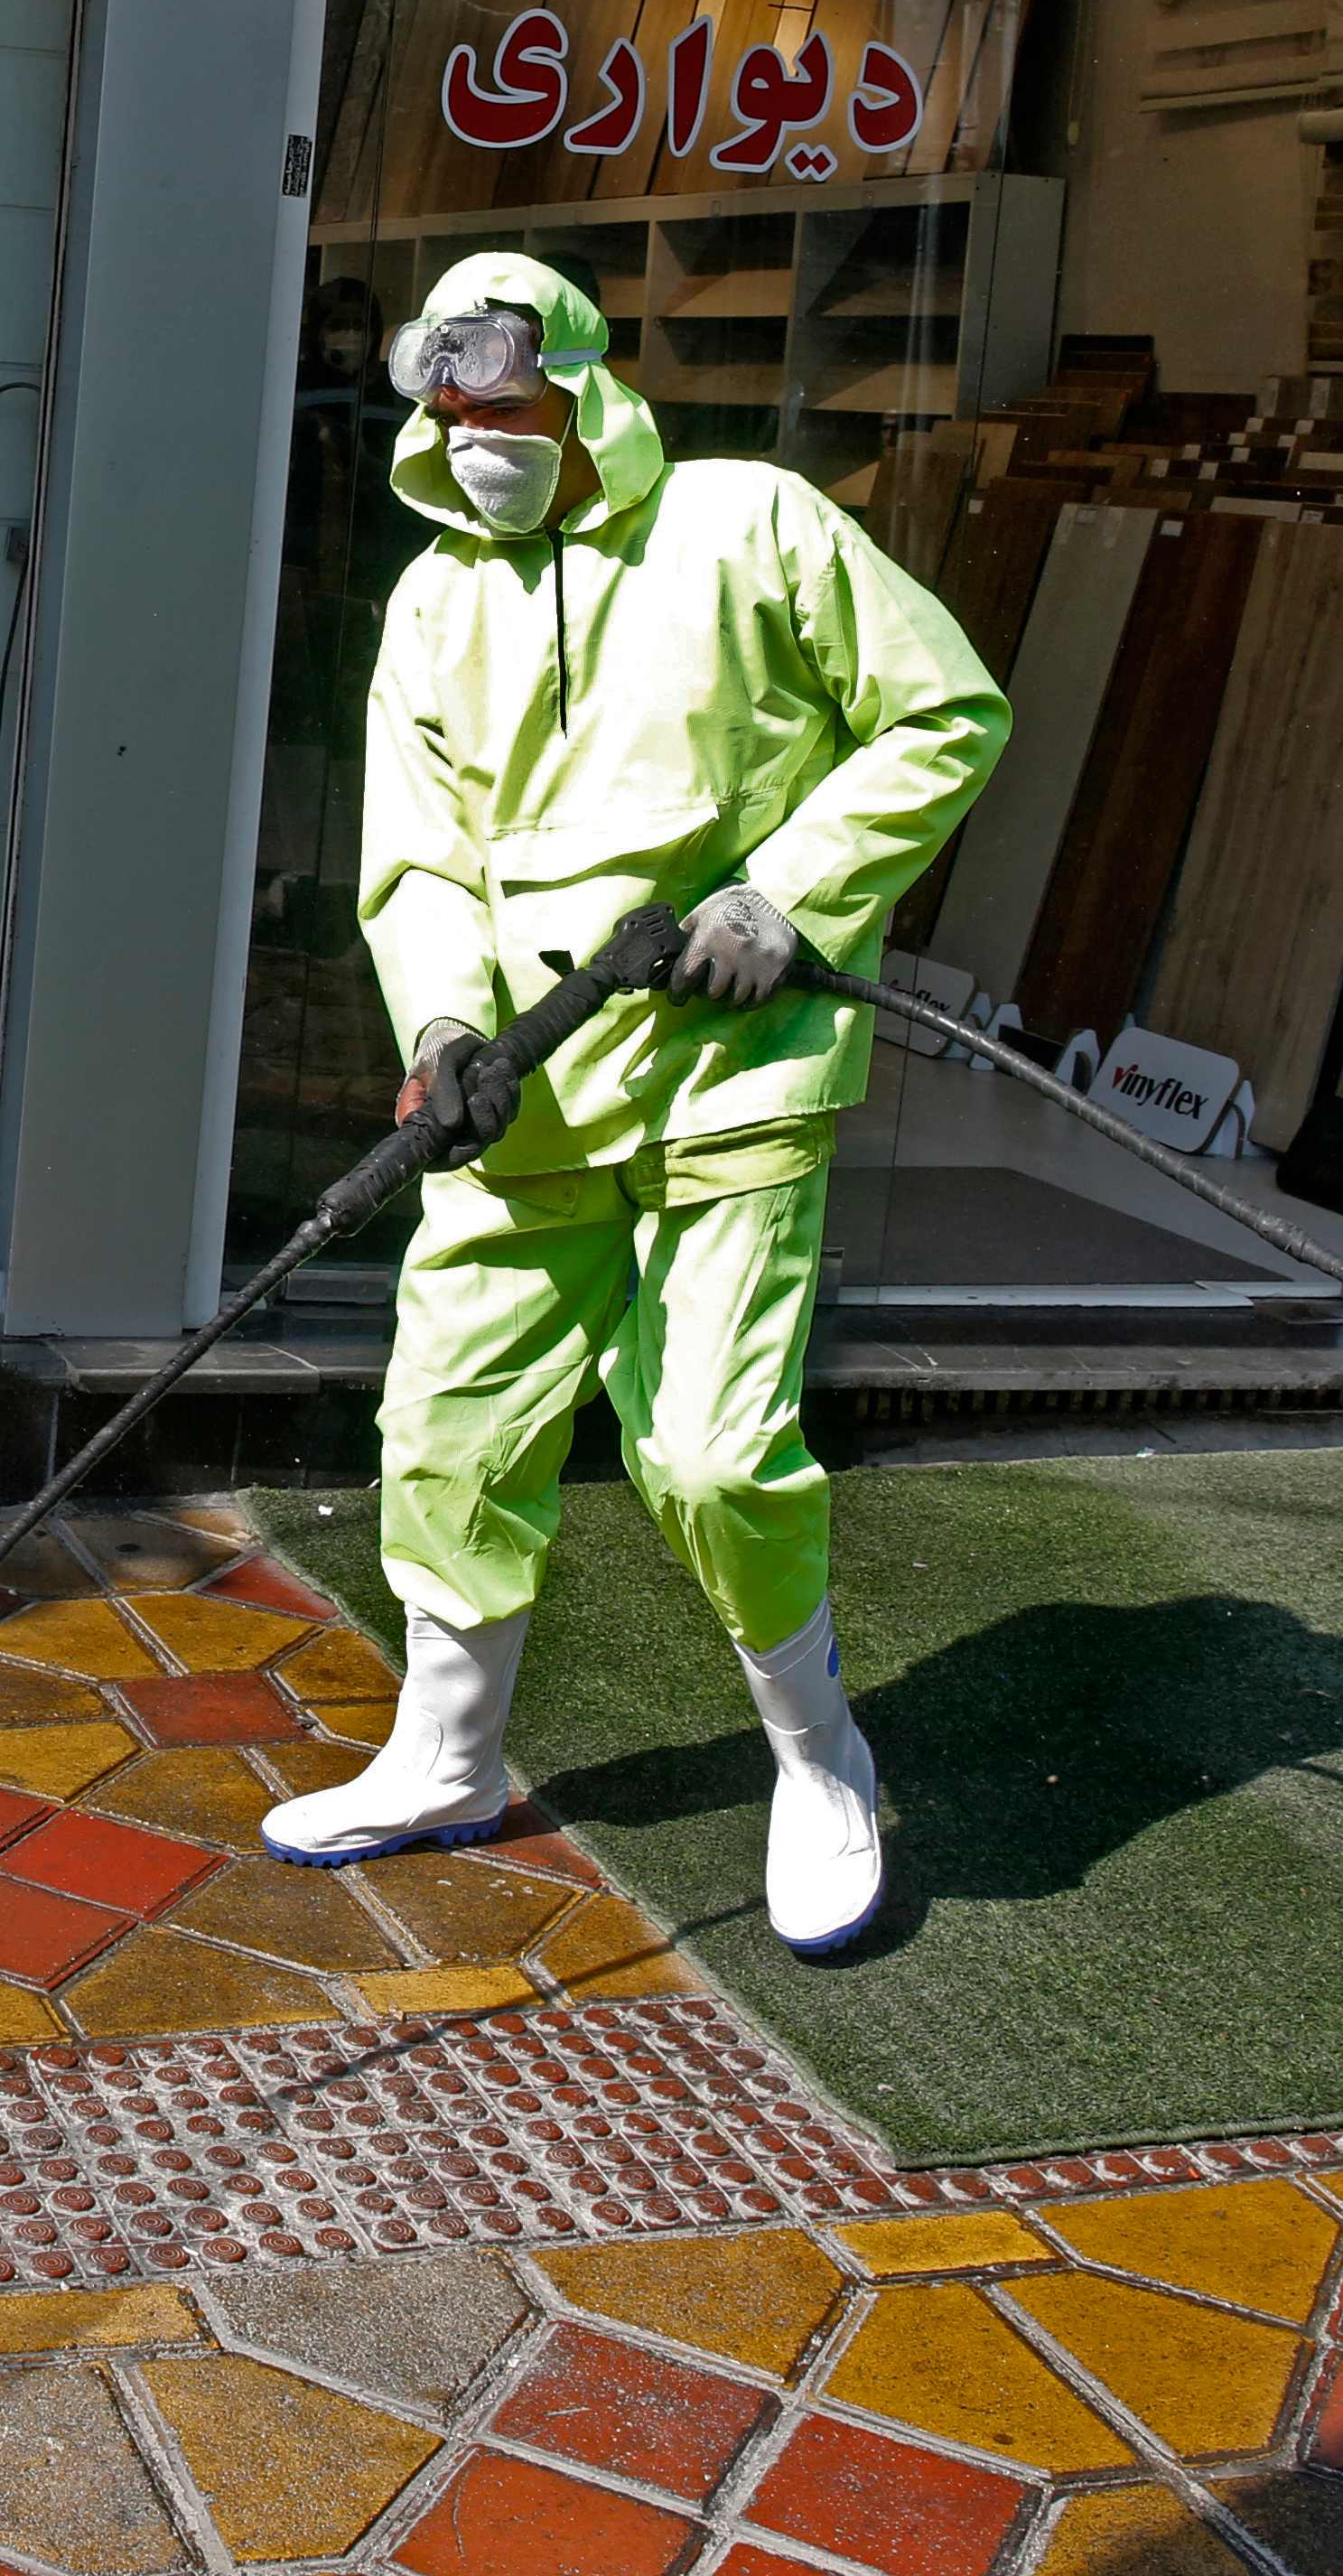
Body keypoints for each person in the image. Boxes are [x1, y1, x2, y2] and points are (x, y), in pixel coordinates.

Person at [256, 252, 1008, 1956]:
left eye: (502, 409)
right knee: (447, 1421)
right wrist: (446, 1019)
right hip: (526, 1078)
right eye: (445, 417)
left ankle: (819, 1753)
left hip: (726, 1068)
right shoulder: (436, 600)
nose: (471, 442)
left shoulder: (754, 526)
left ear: (582, 389)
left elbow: (942, 711)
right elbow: (419, 847)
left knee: (711, 1450)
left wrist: (794, 895)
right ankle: (445, 1754)